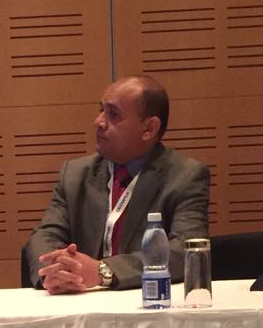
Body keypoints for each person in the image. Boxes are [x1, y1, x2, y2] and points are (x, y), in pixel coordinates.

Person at [24, 75, 209, 292]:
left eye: (113, 114)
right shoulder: (74, 174)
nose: (99, 121)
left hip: (146, 299)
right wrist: (56, 271)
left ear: (149, 128)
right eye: (101, 110)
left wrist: (103, 271)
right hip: (81, 299)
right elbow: (44, 235)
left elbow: (185, 252)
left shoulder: (185, 176)